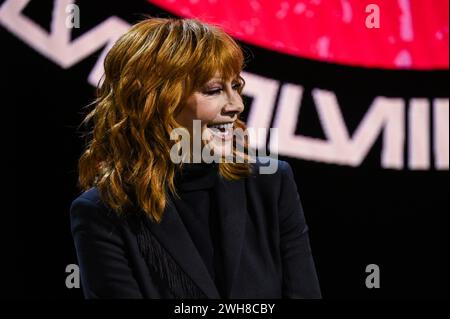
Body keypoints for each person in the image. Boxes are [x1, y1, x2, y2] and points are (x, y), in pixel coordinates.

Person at [70, 17, 321, 299]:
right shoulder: (103, 211)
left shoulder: (271, 182)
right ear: (156, 101)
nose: (237, 105)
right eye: (214, 90)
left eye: (236, 86)